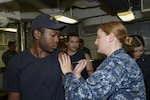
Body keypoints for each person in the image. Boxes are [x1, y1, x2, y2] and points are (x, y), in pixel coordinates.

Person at [58, 21, 146, 99]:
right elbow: (92, 90)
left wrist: (68, 73)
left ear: (111, 37)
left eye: (98, 37)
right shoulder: (120, 59)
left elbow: (81, 97)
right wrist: (77, 76)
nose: (96, 42)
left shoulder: (115, 63)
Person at [3, 14, 67, 100]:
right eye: (53, 35)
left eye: (58, 36)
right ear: (37, 34)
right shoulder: (16, 62)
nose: (57, 40)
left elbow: (71, 88)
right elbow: (14, 96)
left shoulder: (61, 58)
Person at [129, 35, 150, 100]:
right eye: (135, 51)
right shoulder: (125, 61)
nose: (138, 53)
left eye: (141, 50)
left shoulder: (147, 60)